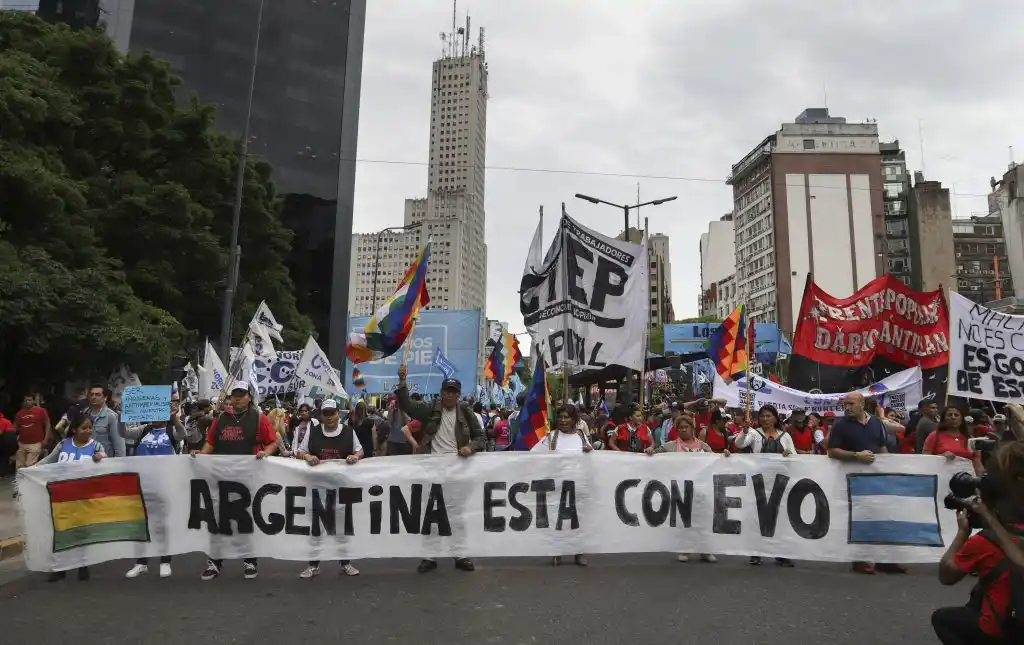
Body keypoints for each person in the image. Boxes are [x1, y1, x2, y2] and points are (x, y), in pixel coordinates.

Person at [395, 365, 484, 574]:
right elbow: (407, 405)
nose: (450, 396)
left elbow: (481, 437)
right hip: (432, 469)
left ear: (458, 395)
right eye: (446, 391)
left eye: (453, 392)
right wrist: (402, 382)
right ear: (441, 393)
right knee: (430, 513)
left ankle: (460, 555)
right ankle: (429, 556)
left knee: (457, 513)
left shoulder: (466, 413)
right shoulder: (431, 408)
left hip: (457, 470)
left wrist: (470, 447)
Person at [933, 441, 1024, 644]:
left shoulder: (986, 541)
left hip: (1005, 631)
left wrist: (963, 533)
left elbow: (947, 575)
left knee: (943, 618)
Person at [194, 381, 278, 581]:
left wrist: (265, 453)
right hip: (220, 476)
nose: (237, 398)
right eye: (234, 394)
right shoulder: (222, 417)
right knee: (216, 519)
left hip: (247, 479)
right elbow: (211, 442)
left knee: (244, 520)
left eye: (241, 394)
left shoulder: (259, 418)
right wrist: (201, 454)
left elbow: (272, 442)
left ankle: (249, 560)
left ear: (249, 396)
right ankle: (214, 562)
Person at [828, 391, 907, 575]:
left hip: (875, 478)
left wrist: (887, 466)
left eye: (851, 404)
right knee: (860, 519)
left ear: (862, 404)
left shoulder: (876, 423)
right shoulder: (840, 426)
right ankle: (860, 559)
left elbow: (881, 446)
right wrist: (856, 455)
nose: (847, 408)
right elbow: (832, 451)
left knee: (883, 516)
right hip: (853, 479)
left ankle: (884, 560)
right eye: (845, 405)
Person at [295, 399, 363, 578]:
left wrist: (355, 456)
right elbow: (299, 452)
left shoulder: (349, 432)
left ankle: (345, 563)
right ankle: (313, 565)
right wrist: (308, 457)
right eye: (326, 414)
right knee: (317, 527)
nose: (330, 417)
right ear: (321, 416)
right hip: (318, 486)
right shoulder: (314, 431)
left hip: (341, 486)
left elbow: (360, 450)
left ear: (338, 414)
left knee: (342, 526)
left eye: (332, 413)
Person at [122, 392, 186, 579]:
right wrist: (122, 416)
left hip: (165, 485)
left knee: (163, 524)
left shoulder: (170, 431)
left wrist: (175, 420)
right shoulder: (143, 430)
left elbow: (182, 434)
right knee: (141, 524)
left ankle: (165, 561)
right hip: (142, 484)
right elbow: (123, 433)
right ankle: (141, 563)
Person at [36, 417, 106, 583]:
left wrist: (101, 457)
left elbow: (105, 460)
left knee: (81, 532)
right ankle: (60, 568)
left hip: (84, 497)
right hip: (61, 496)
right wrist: (31, 469)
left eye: (90, 428)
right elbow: (49, 461)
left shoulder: (95, 446)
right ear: (74, 429)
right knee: (60, 532)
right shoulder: (63, 445)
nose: (88, 431)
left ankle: (83, 565)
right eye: (84, 428)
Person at [651, 412, 719, 564]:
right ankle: (685, 549)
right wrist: (650, 451)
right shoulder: (671, 446)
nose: (683, 430)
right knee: (684, 519)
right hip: (681, 489)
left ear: (692, 428)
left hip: (701, 488)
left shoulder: (703, 446)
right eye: (680, 428)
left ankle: (705, 550)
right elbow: (655, 454)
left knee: (703, 518)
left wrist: (726, 456)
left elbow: (716, 460)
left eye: (686, 427)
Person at [734, 405, 795, 567]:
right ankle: (756, 552)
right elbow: (739, 444)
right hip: (759, 480)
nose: (765, 419)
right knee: (757, 516)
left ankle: (780, 553)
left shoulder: (785, 436)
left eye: (768, 416)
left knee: (780, 517)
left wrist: (788, 455)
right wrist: (745, 431)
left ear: (775, 418)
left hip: (779, 480)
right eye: (762, 416)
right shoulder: (754, 433)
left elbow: (794, 456)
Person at [533, 405, 591, 567]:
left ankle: (579, 552)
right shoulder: (551, 437)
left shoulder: (581, 436)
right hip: (557, 486)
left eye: (567, 417)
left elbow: (591, 456)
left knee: (578, 520)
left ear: (574, 420)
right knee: (556, 519)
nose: (563, 420)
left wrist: (588, 451)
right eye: (561, 417)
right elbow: (532, 456)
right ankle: (557, 552)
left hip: (578, 484)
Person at [924, 406, 985, 476]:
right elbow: (926, 459)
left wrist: (979, 482)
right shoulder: (934, 436)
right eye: (950, 415)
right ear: (944, 419)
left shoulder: (970, 439)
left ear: (962, 420)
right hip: (942, 478)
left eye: (956, 415)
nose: (953, 417)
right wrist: (942, 456)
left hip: (967, 481)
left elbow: (978, 465)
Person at [84, 385, 125, 458]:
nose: (93, 397)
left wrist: (119, 466)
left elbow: (119, 447)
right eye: (91, 394)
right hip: (85, 459)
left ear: (105, 398)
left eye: (98, 395)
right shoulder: (84, 413)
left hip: (104, 462)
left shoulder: (111, 416)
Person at [14, 394, 52, 471]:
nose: (27, 402)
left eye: (30, 400)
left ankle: (29, 481)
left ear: (34, 401)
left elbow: (47, 424)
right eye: (26, 400)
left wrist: (46, 439)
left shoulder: (41, 411)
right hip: (22, 443)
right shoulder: (19, 414)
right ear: (23, 402)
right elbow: (15, 428)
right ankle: (20, 481)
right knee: (19, 467)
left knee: (29, 466)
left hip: (36, 443)